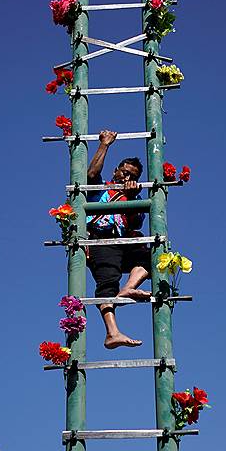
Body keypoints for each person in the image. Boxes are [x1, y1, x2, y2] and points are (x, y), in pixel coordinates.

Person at [86, 130, 151, 349]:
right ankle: (112, 333)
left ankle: (129, 287)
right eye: (124, 173)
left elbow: (135, 224)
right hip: (101, 240)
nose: (127, 178)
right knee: (107, 282)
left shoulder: (135, 198)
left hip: (122, 242)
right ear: (116, 171)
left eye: (133, 176)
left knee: (152, 256)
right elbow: (91, 173)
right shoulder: (99, 189)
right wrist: (104, 145)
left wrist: (131, 198)